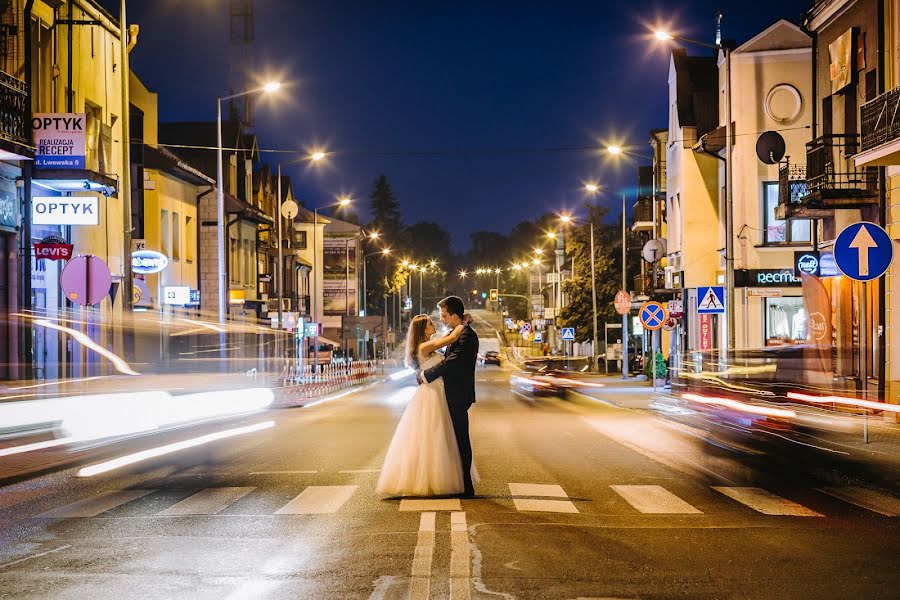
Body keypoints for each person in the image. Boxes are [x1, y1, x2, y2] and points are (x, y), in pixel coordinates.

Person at [376, 312, 471, 497]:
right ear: (423, 330)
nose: (434, 323)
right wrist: (463, 323)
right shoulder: (425, 346)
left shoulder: (430, 348)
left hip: (438, 393)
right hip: (431, 395)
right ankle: (429, 480)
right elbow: (452, 337)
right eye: (430, 323)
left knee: (438, 438)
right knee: (432, 436)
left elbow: (446, 340)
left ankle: (435, 477)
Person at [421, 296, 479, 498]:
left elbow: (451, 362)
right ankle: (457, 482)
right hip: (451, 393)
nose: (442, 319)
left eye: (444, 315)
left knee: (461, 438)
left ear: (454, 315)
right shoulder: (457, 333)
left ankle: (466, 485)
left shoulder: (466, 336)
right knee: (452, 438)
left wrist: (427, 375)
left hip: (458, 394)